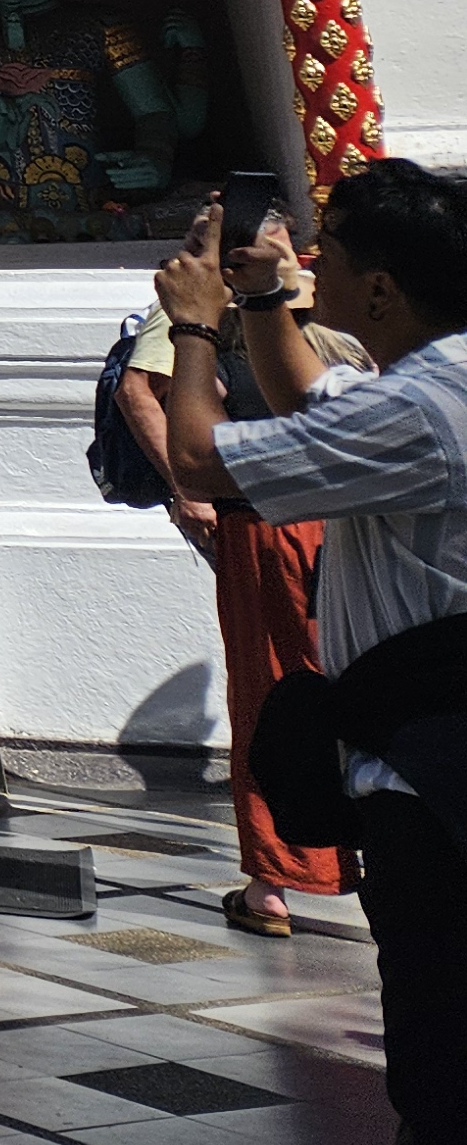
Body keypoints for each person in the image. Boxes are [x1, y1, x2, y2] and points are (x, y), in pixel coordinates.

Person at [156, 163, 467, 1145]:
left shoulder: (421, 410)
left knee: (444, 1080)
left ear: (380, 290)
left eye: (326, 254)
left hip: (438, 780)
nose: (310, 264)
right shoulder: (429, 389)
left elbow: (201, 458)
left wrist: (192, 329)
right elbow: (309, 408)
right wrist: (261, 300)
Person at [112, 257, 371, 934]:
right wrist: (187, 486)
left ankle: (281, 880)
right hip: (275, 510)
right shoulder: (201, 295)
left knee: (298, 686)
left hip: (323, 511)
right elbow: (142, 391)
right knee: (288, 684)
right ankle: (281, 877)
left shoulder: (326, 283)